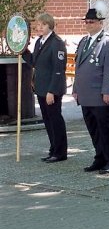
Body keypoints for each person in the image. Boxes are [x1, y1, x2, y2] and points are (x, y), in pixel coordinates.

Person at [73, 2, 109, 174]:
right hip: (86, 94)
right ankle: (100, 157)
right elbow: (78, 68)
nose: (88, 24)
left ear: (101, 23)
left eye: (92, 22)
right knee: (93, 129)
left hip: (101, 95)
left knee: (105, 129)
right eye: (86, 21)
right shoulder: (84, 41)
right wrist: (75, 89)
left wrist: (108, 91)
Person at [32, 13, 68, 163]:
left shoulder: (56, 43)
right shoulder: (39, 41)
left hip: (51, 90)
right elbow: (35, 62)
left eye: (43, 25)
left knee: (55, 120)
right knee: (47, 120)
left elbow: (58, 69)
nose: (39, 27)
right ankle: (53, 149)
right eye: (38, 25)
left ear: (50, 26)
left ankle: (60, 152)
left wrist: (52, 91)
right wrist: (23, 51)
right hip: (41, 88)